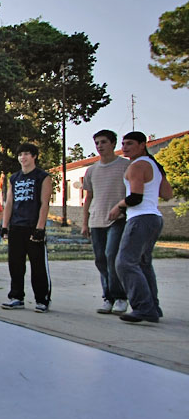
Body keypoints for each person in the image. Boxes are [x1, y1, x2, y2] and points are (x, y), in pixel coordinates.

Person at [108, 131, 173, 323]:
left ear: (142, 144)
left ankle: (143, 308)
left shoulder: (137, 165)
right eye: (123, 143)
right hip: (154, 218)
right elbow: (167, 194)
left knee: (125, 262)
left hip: (140, 218)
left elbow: (135, 197)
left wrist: (118, 206)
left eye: (129, 144)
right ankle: (153, 307)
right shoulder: (154, 165)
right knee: (143, 264)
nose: (124, 147)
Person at [81, 130, 131, 315]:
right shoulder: (92, 170)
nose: (100, 146)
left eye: (103, 142)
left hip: (117, 220)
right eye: (97, 143)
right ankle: (108, 297)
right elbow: (88, 198)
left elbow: (132, 193)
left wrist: (122, 209)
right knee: (100, 260)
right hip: (96, 220)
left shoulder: (126, 166)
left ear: (113, 143)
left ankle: (120, 297)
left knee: (112, 256)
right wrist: (85, 223)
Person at [0, 143, 53, 313]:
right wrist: (4, 226)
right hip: (16, 226)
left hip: (33, 226)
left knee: (37, 266)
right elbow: (9, 203)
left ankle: (42, 299)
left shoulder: (42, 177)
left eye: (27, 154)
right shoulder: (14, 178)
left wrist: (40, 227)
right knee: (15, 265)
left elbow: (45, 204)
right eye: (20, 154)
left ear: (34, 156)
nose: (23, 157)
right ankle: (16, 297)